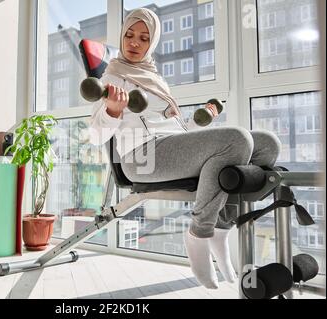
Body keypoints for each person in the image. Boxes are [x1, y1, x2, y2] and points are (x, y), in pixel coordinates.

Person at [89, 8, 281, 289]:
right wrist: (113, 111)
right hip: (143, 157)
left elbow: (175, 133)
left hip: (167, 148)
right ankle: (198, 234)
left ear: (151, 43)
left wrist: (200, 119)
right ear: (121, 35)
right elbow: (95, 135)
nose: (134, 43)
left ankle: (220, 229)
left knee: (266, 144)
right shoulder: (112, 78)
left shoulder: (153, 76)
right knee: (238, 139)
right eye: (129, 35)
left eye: (143, 38)